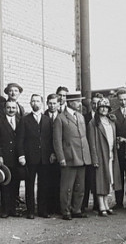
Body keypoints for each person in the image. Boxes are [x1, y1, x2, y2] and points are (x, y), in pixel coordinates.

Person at [53, 92, 92, 220]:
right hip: (69, 157)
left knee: (80, 186)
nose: (80, 104)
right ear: (70, 102)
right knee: (67, 187)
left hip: (82, 156)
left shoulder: (80, 116)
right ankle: (66, 211)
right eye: (77, 101)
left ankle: (77, 209)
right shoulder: (60, 118)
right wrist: (61, 158)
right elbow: (57, 141)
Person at [17, 94, 55, 219]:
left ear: (42, 103)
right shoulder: (24, 119)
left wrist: (52, 153)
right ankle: (30, 211)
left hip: (44, 158)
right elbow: (20, 139)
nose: (35, 103)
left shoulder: (47, 120)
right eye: (33, 101)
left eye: (38, 101)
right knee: (29, 184)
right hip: (30, 157)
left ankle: (42, 210)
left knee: (44, 184)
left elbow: (51, 139)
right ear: (30, 103)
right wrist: (21, 155)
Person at [87, 98, 122, 216]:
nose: (104, 109)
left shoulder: (111, 122)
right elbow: (91, 142)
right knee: (100, 180)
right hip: (100, 155)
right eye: (101, 107)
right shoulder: (93, 123)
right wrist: (94, 158)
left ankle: (107, 204)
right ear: (97, 108)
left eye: (106, 107)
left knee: (109, 180)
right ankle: (101, 206)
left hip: (111, 154)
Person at [0, 100, 22, 218]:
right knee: (5, 184)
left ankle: (13, 209)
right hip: (5, 157)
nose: (11, 110)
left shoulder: (21, 121)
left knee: (15, 183)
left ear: (16, 109)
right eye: (9, 108)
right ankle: (5, 209)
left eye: (13, 108)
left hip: (17, 157)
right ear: (5, 109)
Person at [112, 88, 126, 209]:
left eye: (125, 99)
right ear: (117, 100)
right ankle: (119, 202)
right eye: (120, 100)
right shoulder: (113, 114)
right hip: (118, 150)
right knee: (118, 176)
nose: (123, 102)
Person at [45, 93, 62, 214]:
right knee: (47, 181)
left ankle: (59, 206)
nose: (52, 105)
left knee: (59, 181)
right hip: (46, 154)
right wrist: (50, 152)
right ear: (47, 103)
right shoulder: (42, 116)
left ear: (59, 104)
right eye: (50, 103)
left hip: (60, 153)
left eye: (54, 103)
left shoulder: (62, 116)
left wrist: (57, 153)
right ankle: (48, 207)